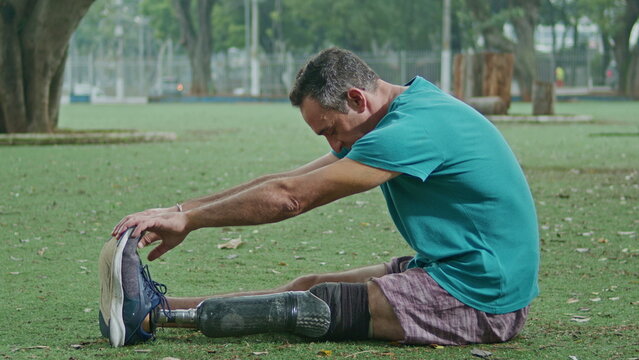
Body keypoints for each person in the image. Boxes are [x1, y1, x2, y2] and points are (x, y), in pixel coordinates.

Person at [99, 47, 539, 347]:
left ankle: (153, 320)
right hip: (456, 265)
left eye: (330, 129)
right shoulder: (403, 111)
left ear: (356, 98)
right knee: (305, 286)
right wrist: (180, 212)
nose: (332, 146)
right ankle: (154, 310)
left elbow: (292, 198)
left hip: (483, 296)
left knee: (311, 308)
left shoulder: (412, 130)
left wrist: (190, 222)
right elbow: (288, 178)